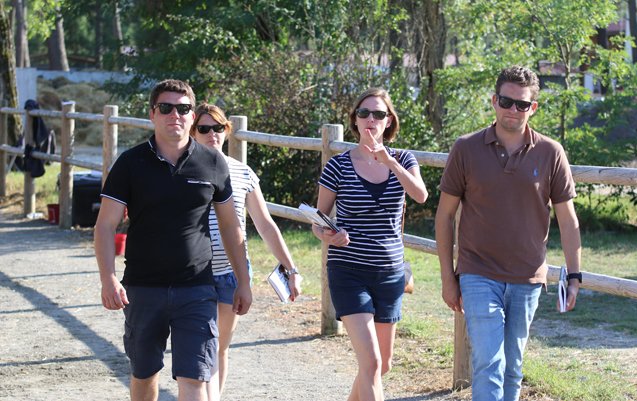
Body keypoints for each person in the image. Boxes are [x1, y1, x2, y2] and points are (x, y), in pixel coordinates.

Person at [94, 79, 252, 401]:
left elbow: (231, 227)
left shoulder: (212, 162)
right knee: (144, 375)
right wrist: (108, 278)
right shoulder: (130, 163)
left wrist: (243, 282)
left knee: (194, 378)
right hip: (143, 288)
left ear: (192, 116)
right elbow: (106, 226)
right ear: (152, 114)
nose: (174, 115)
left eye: (183, 109)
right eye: (166, 108)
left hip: (197, 288)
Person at [435, 66, 582, 401]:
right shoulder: (466, 148)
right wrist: (447, 277)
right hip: (477, 273)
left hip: (528, 277)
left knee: (513, 366)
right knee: (489, 363)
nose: (513, 109)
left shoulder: (551, 152)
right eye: (506, 101)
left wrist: (574, 276)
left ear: (533, 108)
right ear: (494, 101)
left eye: (522, 104)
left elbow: (568, 220)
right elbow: (444, 216)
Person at [311, 88, 428, 401]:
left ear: (389, 121)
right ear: (355, 120)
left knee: (382, 365)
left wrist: (389, 162)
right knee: (372, 363)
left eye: (378, 114)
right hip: (348, 270)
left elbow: (420, 195)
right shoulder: (338, 166)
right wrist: (328, 234)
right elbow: (318, 220)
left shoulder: (403, 159)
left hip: (390, 273)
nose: (371, 119)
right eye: (364, 113)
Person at [189, 103, 302, 397]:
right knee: (202, 347)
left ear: (227, 131)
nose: (212, 134)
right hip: (194, 274)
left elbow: (265, 225)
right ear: (193, 132)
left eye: (218, 128)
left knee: (220, 346)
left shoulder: (243, 173)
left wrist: (291, 269)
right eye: (204, 128)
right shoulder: (184, 170)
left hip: (232, 273)